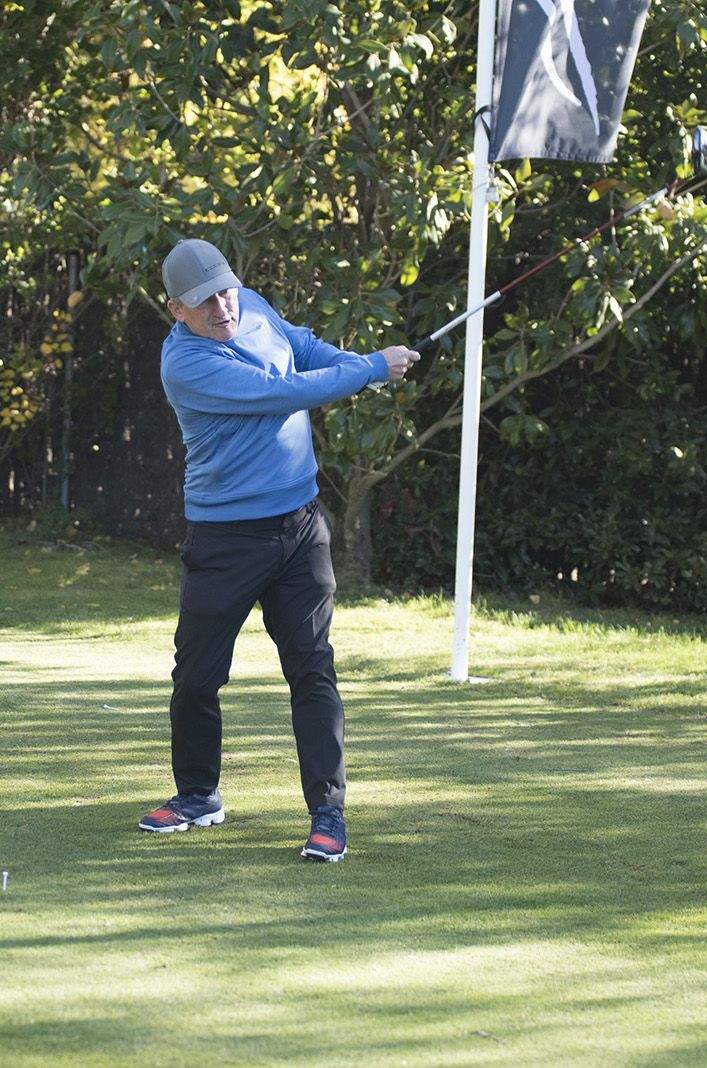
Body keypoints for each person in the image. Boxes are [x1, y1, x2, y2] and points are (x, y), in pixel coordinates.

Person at [136, 238, 420, 862]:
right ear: (176, 310)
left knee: (312, 669)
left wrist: (352, 362)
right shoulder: (186, 363)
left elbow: (304, 349)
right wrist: (372, 367)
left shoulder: (253, 306)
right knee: (197, 676)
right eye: (205, 301)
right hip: (226, 538)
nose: (223, 307)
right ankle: (197, 796)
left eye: (226, 291)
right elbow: (281, 391)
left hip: (299, 528)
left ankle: (327, 814)